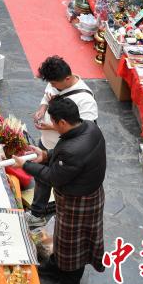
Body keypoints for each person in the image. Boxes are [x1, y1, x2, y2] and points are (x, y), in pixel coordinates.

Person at [12, 97, 106, 284]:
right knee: (63, 238)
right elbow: (65, 152)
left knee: (74, 243)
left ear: (62, 122)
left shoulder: (73, 151)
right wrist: (45, 156)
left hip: (79, 200)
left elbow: (52, 176)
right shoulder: (89, 127)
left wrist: (25, 165)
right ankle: (56, 265)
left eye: (54, 123)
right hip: (84, 192)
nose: (52, 126)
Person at [27, 55, 98, 228]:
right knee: (41, 181)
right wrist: (42, 108)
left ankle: (62, 218)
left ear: (67, 78)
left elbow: (86, 129)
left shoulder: (86, 100)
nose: (51, 86)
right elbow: (47, 95)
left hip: (65, 151)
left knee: (59, 183)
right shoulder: (56, 81)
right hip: (47, 144)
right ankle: (37, 213)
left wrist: (50, 126)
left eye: (54, 83)